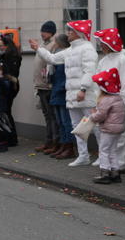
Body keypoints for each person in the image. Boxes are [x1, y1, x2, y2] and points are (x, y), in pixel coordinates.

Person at [32, 20, 99, 168]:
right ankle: (83, 156)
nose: (68, 33)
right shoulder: (70, 50)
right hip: (72, 96)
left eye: (71, 31)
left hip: (85, 95)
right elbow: (53, 59)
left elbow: (90, 71)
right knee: (76, 126)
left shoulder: (87, 49)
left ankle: (103, 156)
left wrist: (83, 89)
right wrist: (38, 49)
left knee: (94, 125)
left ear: (79, 33)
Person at [93, 28, 125, 171]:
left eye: (102, 43)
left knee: (122, 134)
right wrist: (98, 102)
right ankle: (111, 164)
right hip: (106, 104)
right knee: (108, 135)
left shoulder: (123, 60)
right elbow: (98, 82)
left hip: (119, 105)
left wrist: (122, 104)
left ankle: (121, 163)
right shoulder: (103, 61)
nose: (101, 46)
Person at [89, 68, 125, 183]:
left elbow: (101, 115)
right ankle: (115, 173)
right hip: (118, 128)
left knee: (104, 150)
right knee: (113, 150)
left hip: (108, 129)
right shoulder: (118, 98)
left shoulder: (106, 99)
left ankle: (105, 173)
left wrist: (92, 116)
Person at [33, 22, 60, 153]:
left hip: (49, 86)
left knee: (53, 116)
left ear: (51, 32)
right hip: (41, 86)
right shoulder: (42, 45)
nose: (42, 33)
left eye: (45, 31)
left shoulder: (54, 45)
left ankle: (55, 143)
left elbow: (52, 62)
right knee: (47, 116)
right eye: (42, 30)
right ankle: (48, 142)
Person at [46, 35, 74, 158]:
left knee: (65, 122)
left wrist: (60, 87)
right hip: (56, 92)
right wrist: (49, 74)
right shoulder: (57, 56)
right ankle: (63, 145)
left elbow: (66, 76)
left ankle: (69, 147)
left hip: (62, 93)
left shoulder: (65, 57)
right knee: (60, 122)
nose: (54, 44)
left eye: (56, 42)